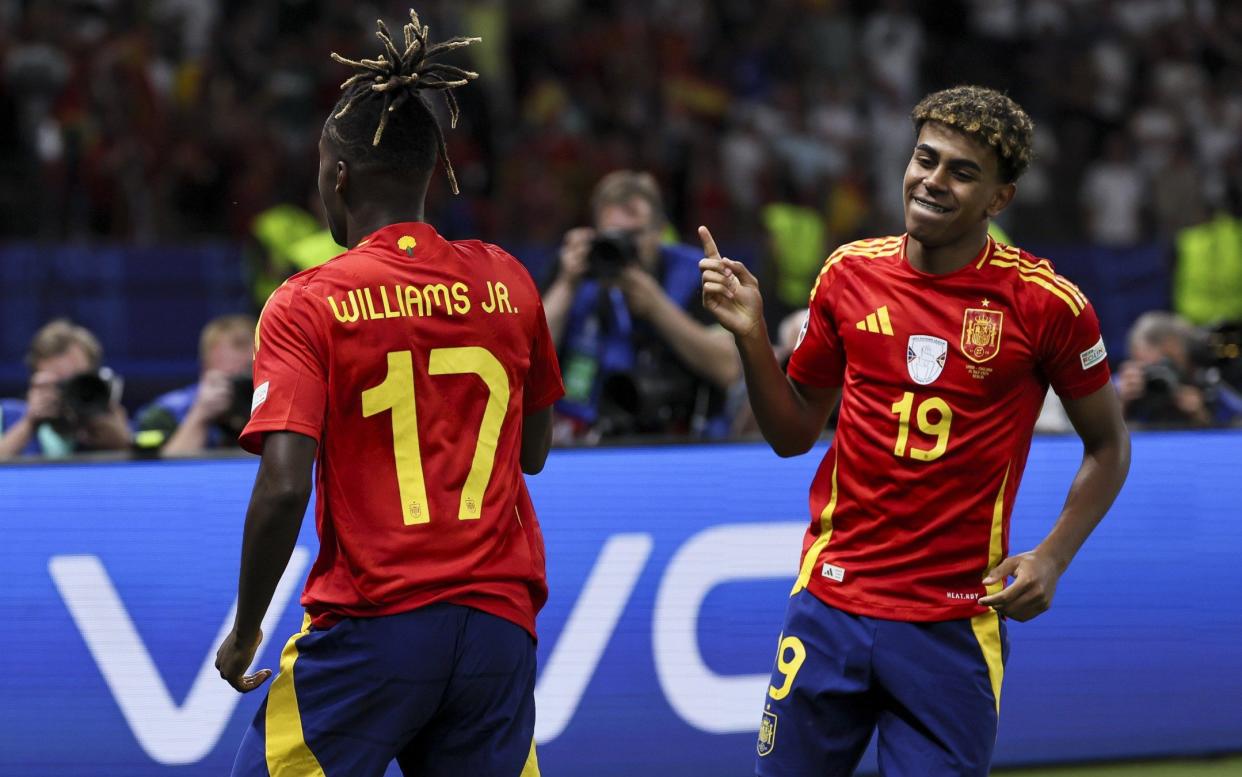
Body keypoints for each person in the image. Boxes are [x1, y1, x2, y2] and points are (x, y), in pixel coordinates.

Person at [699, 85, 1131, 776]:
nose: (932, 179)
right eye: (925, 158)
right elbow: (791, 433)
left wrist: (1051, 556)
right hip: (831, 602)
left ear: (1000, 198)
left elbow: (1109, 447)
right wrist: (753, 337)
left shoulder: (1048, 305)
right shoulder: (848, 273)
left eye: (962, 171)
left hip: (955, 621)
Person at [214, 12, 562, 777]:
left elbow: (281, 487)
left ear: (336, 176)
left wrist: (246, 632)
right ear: (435, 172)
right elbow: (533, 451)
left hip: (374, 628)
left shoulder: (309, 301)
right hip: (498, 632)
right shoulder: (509, 280)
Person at [541, 170, 739, 439]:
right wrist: (566, 284)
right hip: (582, 436)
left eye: (635, 235)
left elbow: (728, 369)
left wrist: (657, 307)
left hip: (672, 435)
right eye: (613, 236)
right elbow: (525, 363)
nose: (625, 246)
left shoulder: (694, 274)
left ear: (660, 231)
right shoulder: (574, 272)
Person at [0, 319, 131, 459]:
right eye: (58, 384)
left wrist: (121, 441)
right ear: (35, 382)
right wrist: (29, 423)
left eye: (77, 381)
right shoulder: (7, 416)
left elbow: (143, 470)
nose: (68, 393)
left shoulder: (108, 417)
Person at [132, 314, 256, 454]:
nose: (246, 356)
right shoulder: (164, 413)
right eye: (233, 378)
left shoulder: (271, 408)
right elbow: (163, 472)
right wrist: (200, 416)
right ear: (205, 367)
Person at [1116, 310, 1242, 427]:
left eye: (1167, 365)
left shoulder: (1208, 387)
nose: (1159, 375)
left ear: (1187, 359)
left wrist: (1202, 416)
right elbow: (1102, 437)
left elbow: (1236, 426)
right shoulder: (1119, 388)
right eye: (1149, 369)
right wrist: (1120, 405)